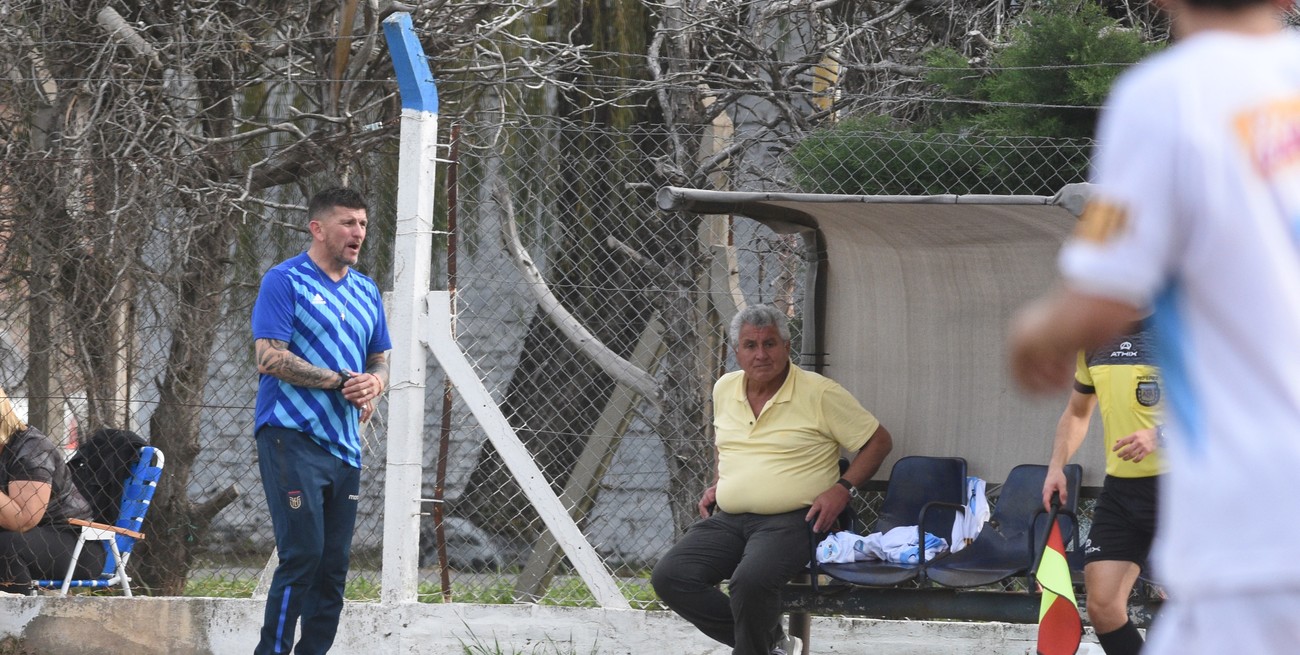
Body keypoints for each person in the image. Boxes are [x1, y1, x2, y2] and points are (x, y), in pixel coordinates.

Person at [1008, 0, 1300, 653]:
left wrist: (1032, 332)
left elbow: (1099, 300)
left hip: (1250, 510)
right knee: (1109, 598)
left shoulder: (1167, 95)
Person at [652, 304, 893, 655]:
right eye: (750, 345)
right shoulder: (725, 388)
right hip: (730, 518)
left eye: (770, 343)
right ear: (737, 352)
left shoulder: (819, 392)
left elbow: (879, 441)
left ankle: (760, 647)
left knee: (749, 583)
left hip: (797, 518)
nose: (761, 354)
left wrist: (843, 489)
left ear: (787, 347)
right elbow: (727, 444)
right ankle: (771, 644)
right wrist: (721, 481)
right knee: (671, 577)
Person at [251, 187, 391, 654]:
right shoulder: (285, 280)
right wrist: (337, 381)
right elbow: (269, 358)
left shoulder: (366, 289)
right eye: (348, 223)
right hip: (290, 437)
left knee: (333, 567)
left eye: (363, 224)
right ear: (317, 228)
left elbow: (380, 359)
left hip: (345, 446)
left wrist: (373, 383)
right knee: (303, 556)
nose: (358, 233)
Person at [1042, 323, 1164, 655]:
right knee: (1103, 607)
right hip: (1122, 492)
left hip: (1184, 492)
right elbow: (1077, 413)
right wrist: (1057, 466)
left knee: (1208, 608)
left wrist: (1159, 435)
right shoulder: (1094, 339)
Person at [0, 385, 104, 595]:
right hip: (24, 539)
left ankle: (17, 624)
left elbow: (23, 519)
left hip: (72, 543)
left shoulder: (31, 449)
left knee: (4, 546)